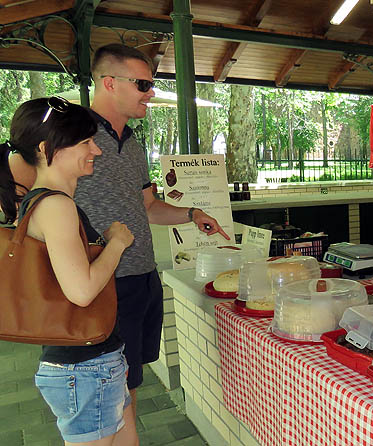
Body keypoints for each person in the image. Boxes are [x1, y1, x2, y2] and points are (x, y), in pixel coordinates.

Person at [72, 43, 230, 412]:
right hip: (101, 283)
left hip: (142, 277)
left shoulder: (133, 144)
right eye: (142, 84)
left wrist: (192, 213)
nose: (151, 92)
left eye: (151, 83)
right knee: (103, 399)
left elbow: (148, 207)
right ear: (109, 83)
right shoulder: (73, 136)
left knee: (127, 388)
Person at [0, 97, 139, 445]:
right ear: (48, 149)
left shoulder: (37, 201)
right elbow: (81, 291)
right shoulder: (56, 206)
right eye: (85, 143)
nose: (97, 150)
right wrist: (117, 244)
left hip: (94, 360)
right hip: (86, 366)